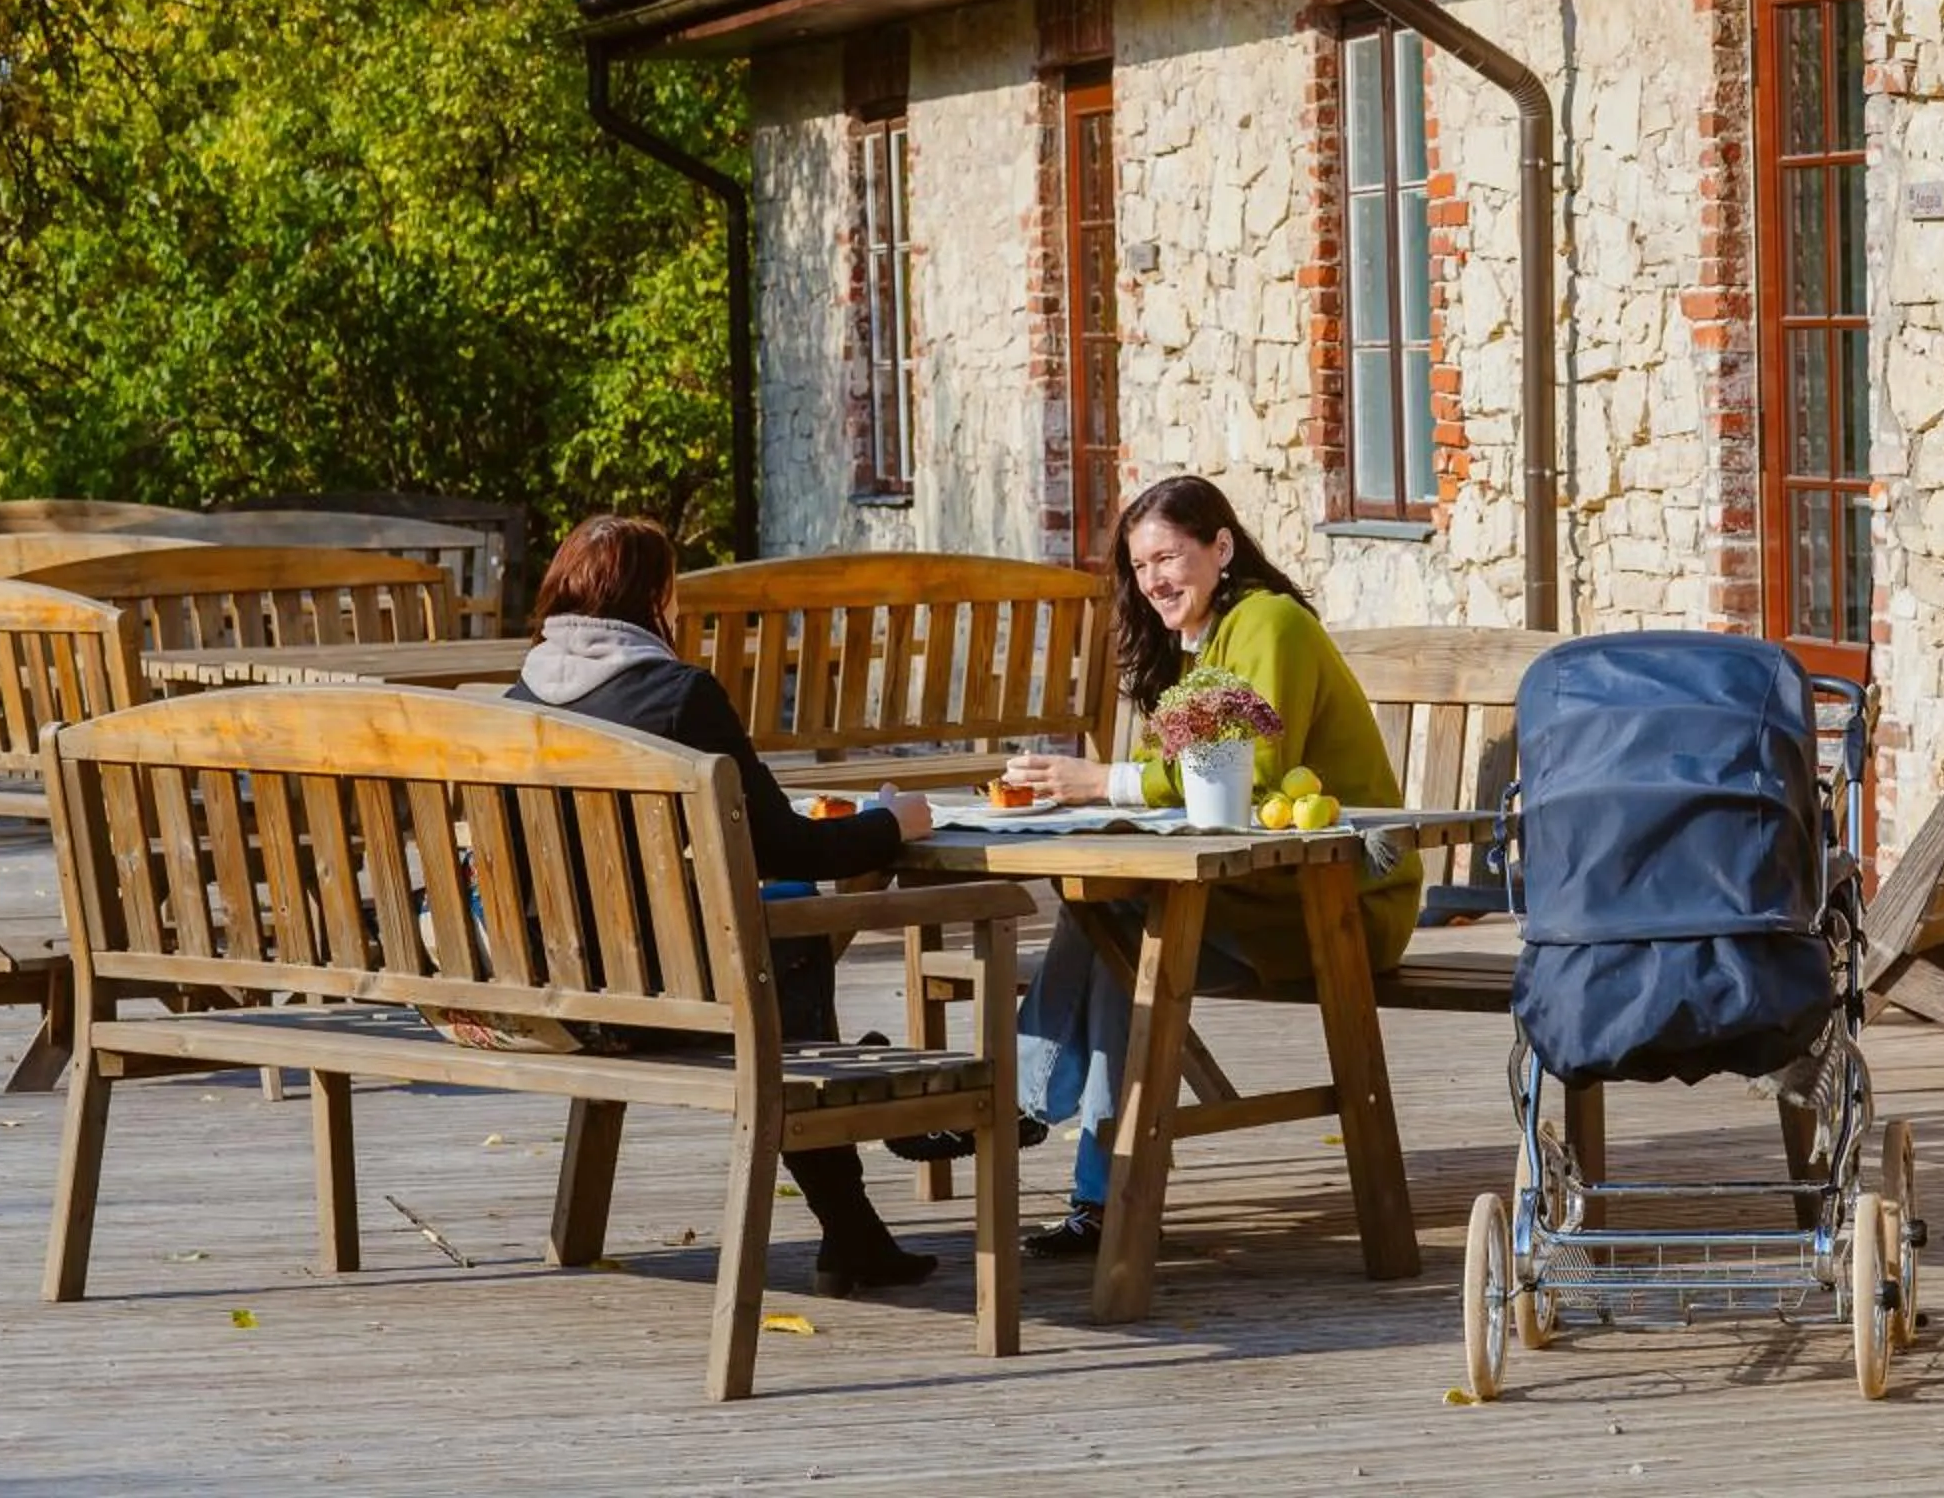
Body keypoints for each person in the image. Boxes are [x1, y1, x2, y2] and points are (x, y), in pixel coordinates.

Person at [504, 514, 944, 1299]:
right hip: (656, 998)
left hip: (549, 991)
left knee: (776, 917)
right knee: (789, 914)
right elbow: (789, 849)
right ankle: (853, 1209)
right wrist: (893, 824)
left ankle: (859, 1215)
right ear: (657, 598)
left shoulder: (515, 698)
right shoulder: (678, 695)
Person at [1000, 474, 1408, 1257]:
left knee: (1121, 917)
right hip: (1258, 895)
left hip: (1340, 904)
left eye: (1168, 557)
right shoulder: (1199, 648)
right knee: (1112, 913)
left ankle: (1021, 1104)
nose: (1154, 580)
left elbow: (1249, 774)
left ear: (1221, 546)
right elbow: (1184, 775)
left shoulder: (1271, 625)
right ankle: (1095, 1194)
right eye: (1140, 566)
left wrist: (1105, 781)